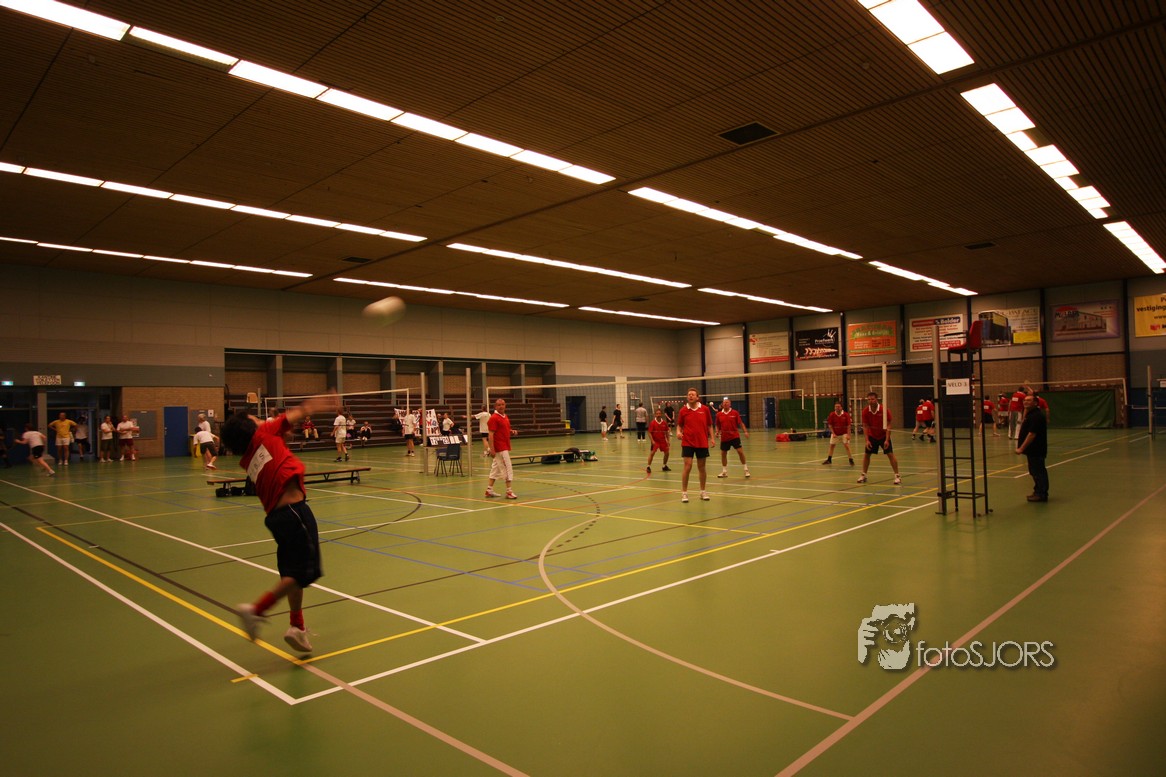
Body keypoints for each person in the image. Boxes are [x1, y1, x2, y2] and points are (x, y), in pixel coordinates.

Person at [220, 392, 338, 653]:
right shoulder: (265, 433)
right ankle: (256, 610)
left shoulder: (250, 456)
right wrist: (321, 402)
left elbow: (278, 447)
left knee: (291, 573)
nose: (259, 419)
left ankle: (297, 626)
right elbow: (301, 411)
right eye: (255, 418)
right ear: (251, 428)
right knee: (304, 573)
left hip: (278, 518)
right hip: (296, 513)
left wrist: (280, 431)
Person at [677, 388, 714, 502]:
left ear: (697, 397)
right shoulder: (683, 410)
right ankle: (684, 493)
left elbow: (709, 425)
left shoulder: (705, 409)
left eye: (693, 394)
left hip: (702, 442)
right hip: (687, 442)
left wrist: (712, 438)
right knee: (687, 466)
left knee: (701, 467)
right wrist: (678, 432)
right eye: (689, 394)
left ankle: (703, 491)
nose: (690, 396)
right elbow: (679, 425)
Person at [858, 392, 901, 485]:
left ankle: (897, 476)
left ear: (876, 399)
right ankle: (863, 475)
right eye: (869, 399)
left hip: (883, 435)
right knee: (867, 454)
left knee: (890, 454)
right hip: (872, 435)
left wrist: (887, 439)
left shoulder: (884, 410)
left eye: (872, 399)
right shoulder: (865, 411)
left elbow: (889, 425)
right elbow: (865, 426)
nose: (871, 401)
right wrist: (867, 440)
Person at [1015, 392, 1049, 502]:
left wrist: (1021, 448)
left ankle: (1041, 494)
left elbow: (1031, 434)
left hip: (1036, 449)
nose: (1025, 402)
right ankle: (1037, 491)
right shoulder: (1030, 415)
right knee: (1034, 472)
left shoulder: (1036, 416)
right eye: (1024, 400)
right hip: (1032, 450)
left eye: (1029, 400)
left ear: (1035, 403)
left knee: (1039, 472)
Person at [485, 397, 517, 499]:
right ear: (495, 406)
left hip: (505, 445)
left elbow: (504, 429)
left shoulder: (504, 416)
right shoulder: (494, 418)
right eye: (499, 405)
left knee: (495, 469)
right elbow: (490, 435)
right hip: (500, 448)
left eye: (502, 404)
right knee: (507, 468)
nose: (501, 406)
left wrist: (511, 431)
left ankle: (489, 490)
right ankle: (509, 491)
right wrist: (492, 449)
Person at [715, 398, 750, 478]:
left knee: (740, 452)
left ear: (730, 404)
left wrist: (745, 431)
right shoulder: (719, 414)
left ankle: (746, 469)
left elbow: (741, 423)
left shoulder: (735, 413)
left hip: (734, 436)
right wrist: (717, 431)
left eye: (727, 402)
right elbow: (717, 425)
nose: (725, 404)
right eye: (724, 402)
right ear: (722, 404)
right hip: (724, 437)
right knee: (723, 453)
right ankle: (724, 472)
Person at [822, 400, 855, 465]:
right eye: (836, 406)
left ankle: (851, 459)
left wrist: (848, 435)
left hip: (844, 433)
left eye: (838, 406)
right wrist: (833, 433)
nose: (837, 408)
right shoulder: (832, 414)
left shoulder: (846, 415)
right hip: (836, 433)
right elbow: (830, 425)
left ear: (841, 407)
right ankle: (829, 460)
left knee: (846, 445)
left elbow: (849, 425)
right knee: (832, 446)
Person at [645, 406, 671, 473]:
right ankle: (648, 466)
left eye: (659, 413)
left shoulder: (664, 423)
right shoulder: (653, 423)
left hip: (663, 440)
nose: (658, 415)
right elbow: (649, 432)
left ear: (661, 414)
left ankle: (664, 466)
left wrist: (668, 441)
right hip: (655, 441)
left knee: (667, 453)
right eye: (657, 414)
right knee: (652, 453)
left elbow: (667, 432)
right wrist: (652, 441)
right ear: (655, 415)